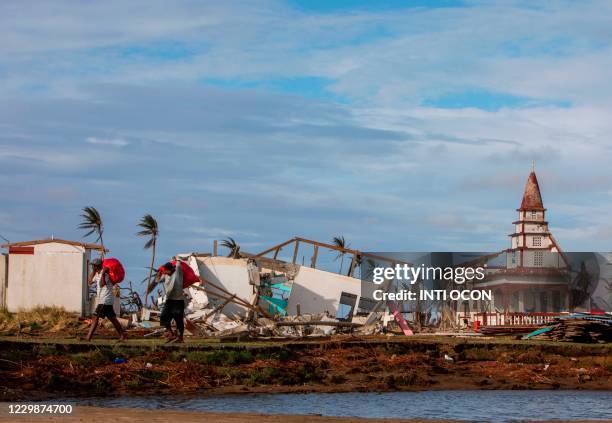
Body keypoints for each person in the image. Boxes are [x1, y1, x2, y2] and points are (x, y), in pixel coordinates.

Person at [86, 258, 127, 341]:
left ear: (96, 266)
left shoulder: (105, 274)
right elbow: (89, 282)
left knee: (95, 317)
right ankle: (123, 336)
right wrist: (94, 272)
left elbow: (102, 284)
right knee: (113, 319)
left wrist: (103, 273)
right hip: (105, 300)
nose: (92, 267)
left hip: (105, 300)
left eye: (93, 266)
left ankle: (88, 337)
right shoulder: (97, 274)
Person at [158, 260, 185, 342]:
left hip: (178, 300)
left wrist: (177, 260)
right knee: (164, 317)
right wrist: (159, 274)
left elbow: (179, 264)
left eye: (167, 271)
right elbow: (158, 281)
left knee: (178, 319)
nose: (166, 272)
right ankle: (171, 334)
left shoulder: (178, 273)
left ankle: (180, 338)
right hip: (169, 300)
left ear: (171, 269)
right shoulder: (165, 275)